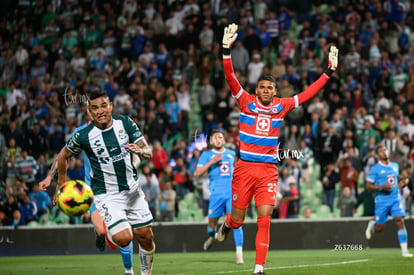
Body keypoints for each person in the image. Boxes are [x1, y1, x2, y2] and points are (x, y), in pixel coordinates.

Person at [216, 23, 338, 275]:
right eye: (261, 87)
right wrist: (226, 51)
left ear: (275, 91)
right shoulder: (245, 101)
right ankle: (228, 225)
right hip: (244, 168)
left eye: (270, 88)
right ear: (257, 89)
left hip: (268, 171)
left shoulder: (281, 106)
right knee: (238, 220)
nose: (265, 90)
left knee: (265, 218)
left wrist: (328, 72)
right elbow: (230, 78)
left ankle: (258, 268)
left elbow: (307, 94)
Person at [57, 90, 155, 274]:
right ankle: (110, 232)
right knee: (125, 238)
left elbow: (148, 151)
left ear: (110, 106)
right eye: (95, 108)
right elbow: (63, 156)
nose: (100, 111)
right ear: (89, 111)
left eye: (104, 106)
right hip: (106, 194)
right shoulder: (83, 135)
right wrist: (60, 186)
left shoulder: (125, 123)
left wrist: (141, 152)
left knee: (146, 236)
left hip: (132, 190)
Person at [39, 123, 139, 275]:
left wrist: (133, 165)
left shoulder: (119, 126)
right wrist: (49, 177)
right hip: (95, 190)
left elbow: (135, 151)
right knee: (101, 231)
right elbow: (62, 155)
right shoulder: (81, 133)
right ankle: (100, 235)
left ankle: (128, 271)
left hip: (118, 189)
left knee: (122, 235)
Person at [195, 130, 244, 265]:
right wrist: (212, 161)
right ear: (211, 141)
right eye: (215, 137)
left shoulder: (231, 153)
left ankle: (239, 254)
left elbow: (238, 170)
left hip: (231, 193)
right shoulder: (206, 155)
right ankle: (212, 237)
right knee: (211, 226)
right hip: (216, 194)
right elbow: (198, 173)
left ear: (224, 140)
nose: (218, 139)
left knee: (236, 222)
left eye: (220, 137)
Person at [365, 144, 412, 257]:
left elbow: (396, 179)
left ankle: (404, 251)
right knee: (380, 228)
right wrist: (381, 187)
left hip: (395, 198)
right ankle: (372, 226)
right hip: (382, 200)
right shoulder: (375, 168)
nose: (384, 152)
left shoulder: (395, 165)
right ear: (378, 155)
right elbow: (368, 186)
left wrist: (403, 182)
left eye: (385, 150)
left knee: (399, 219)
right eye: (381, 151)